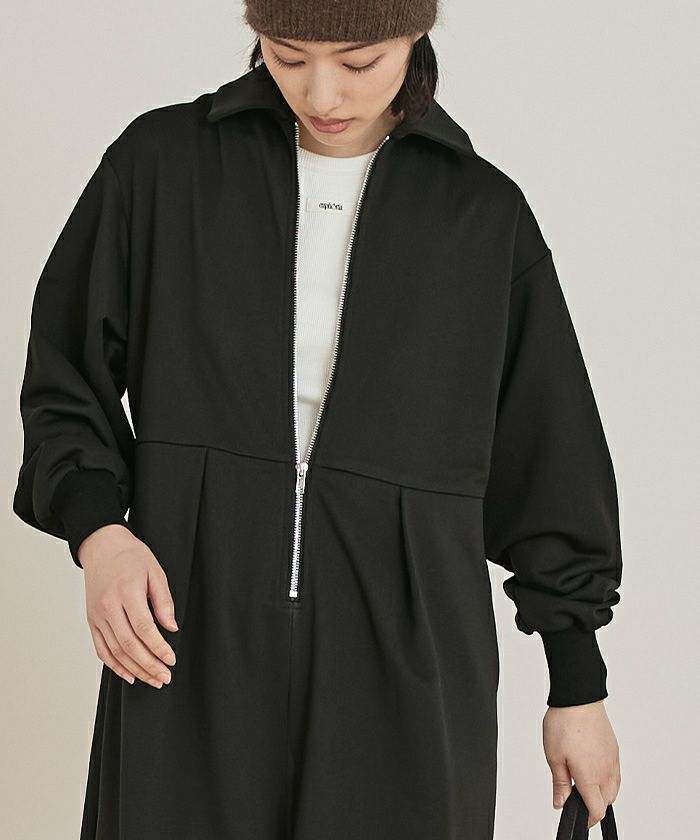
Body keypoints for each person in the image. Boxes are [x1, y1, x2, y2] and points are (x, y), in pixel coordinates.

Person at [12, 1, 623, 837]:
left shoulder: (483, 217)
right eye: (288, 55)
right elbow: (63, 376)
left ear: (415, 33)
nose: (321, 93)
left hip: (407, 666)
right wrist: (100, 535)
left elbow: (550, 462)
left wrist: (577, 687)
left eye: (359, 62)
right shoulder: (161, 167)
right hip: (186, 641)